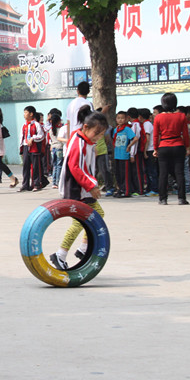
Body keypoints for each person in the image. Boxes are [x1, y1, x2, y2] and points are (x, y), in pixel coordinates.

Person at [48, 106, 109, 270]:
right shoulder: (78, 142)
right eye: (97, 133)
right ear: (86, 127)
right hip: (76, 187)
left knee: (97, 214)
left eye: (102, 135)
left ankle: (83, 248)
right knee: (80, 221)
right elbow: (75, 167)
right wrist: (91, 186)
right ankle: (60, 254)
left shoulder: (85, 140)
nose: (98, 137)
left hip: (83, 187)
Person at [153, 92, 190, 205]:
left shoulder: (158, 117)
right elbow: (185, 133)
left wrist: (155, 149)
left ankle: (163, 199)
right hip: (178, 145)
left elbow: (156, 135)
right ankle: (181, 198)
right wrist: (187, 147)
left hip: (164, 146)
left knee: (163, 173)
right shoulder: (181, 116)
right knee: (179, 173)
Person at [112, 111, 138, 198]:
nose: (120, 120)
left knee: (125, 174)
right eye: (118, 118)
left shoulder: (127, 129)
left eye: (122, 118)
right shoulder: (116, 129)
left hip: (124, 155)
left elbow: (135, 138)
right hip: (117, 154)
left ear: (126, 119)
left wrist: (129, 146)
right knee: (118, 174)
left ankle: (126, 191)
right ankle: (120, 189)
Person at [19, 105, 45, 192]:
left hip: (34, 148)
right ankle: (25, 185)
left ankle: (36, 184)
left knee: (35, 167)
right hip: (26, 147)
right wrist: (21, 148)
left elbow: (41, 136)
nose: (24, 114)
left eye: (26, 112)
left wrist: (33, 138)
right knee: (25, 166)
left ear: (31, 114)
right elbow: (21, 137)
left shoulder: (36, 125)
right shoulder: (24, 125)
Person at [139, 108, 158, 196]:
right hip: (149, 149)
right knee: (148, 170)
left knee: (151, 170)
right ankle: (150, 188)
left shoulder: (146, 124)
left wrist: (145, 151)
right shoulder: (148, 123)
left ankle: (154, 189)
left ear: (140, 116)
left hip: (150, 149)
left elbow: (147, 138)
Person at [48, 113, 67, 188]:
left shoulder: (50, 130)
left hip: (53, 148)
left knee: (55, 165)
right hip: (59, 148)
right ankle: (58, 181)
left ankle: (54, 182)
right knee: (59, 165)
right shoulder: (60, 130)